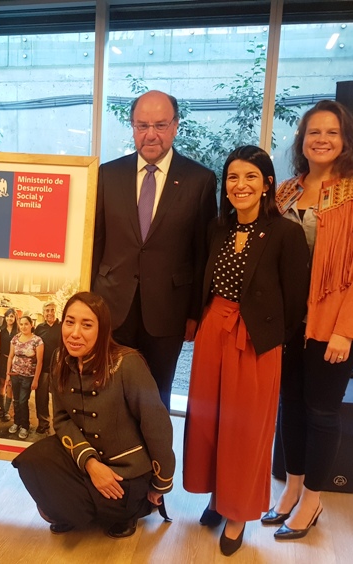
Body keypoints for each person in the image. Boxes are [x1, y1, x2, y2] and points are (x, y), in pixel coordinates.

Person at [266, 100, 353, 540]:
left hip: (334, 323)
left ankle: (314, 499)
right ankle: (292, 487)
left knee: (321, 410)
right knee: (290, 404)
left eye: (332, 133)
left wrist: (346, 329)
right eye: (313, 132)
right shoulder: (286, 192)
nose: (321, 139)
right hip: (288, 321)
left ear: (346, 140)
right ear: (302, 139)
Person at [183, 147, 310, 556]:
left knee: (245, 429)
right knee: (207, 419)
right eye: (233, 177)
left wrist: (270, 337)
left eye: (251, 177)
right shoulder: (217, 228)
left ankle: (237, 513)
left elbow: (295, 302)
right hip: (212, 332)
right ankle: (216, 498)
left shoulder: (286, 233)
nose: (241, 185)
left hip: (256, 340)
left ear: (267, 183)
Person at [91, 90, 218, 409]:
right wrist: (89, 300)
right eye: (142, 125)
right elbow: (96, 242)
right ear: (132, 127)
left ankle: (153, 459)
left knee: (156, 394)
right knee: (108, 391)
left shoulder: (199, 180)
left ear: (176, 126)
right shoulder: (107, 174)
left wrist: (194, 312)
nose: (150, 135)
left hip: (168, 309)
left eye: (160, 125)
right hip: (112, 304)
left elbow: (202, 253)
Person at [13, 292, 175, 539]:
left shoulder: (127, 364)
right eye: (69, 322)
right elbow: (62, 419)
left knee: (88, 507)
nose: (74, 333)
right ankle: (81, 509)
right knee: (31, 461)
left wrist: (160, 484)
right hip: (86, 462)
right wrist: (91, 464)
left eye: (86, 325)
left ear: (102, 329)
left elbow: (157, 425)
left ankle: (128, 511)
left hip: (126, 471)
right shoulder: (59, 359)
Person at [4, 315, 43, 439]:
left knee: (22, 401)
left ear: (32, 325)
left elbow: (40, 362)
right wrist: (8, 375)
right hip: (15, 374)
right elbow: (10, 356)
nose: (23, 326)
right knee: (15, 401)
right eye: (21, 324)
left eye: (26, 324)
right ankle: (17, 422)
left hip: (28, 376)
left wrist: (36, 379)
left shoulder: (37, 341)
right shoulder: (15, 339)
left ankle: (25, 426)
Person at [32, 300, 61, 434]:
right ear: (43, 313)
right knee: (41, 397)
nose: (50, 313)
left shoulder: (62, 326)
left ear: (56, 311)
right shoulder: (39, 328)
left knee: (58, 398)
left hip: (58, 369)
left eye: (52, 310)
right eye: (47, 310)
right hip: (42, 368)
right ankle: (43, 424)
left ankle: (60, 426)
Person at [0, 308, 19, 422]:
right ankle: (2, 408)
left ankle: (7, 410)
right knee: (2, 383)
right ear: (5, 318)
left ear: (15, 318)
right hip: (2, 360)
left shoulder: (18, 332)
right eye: (8, 316)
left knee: (10, 385)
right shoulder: (1, 330)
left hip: (14, 361)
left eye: (12, 316)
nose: (10, 318)